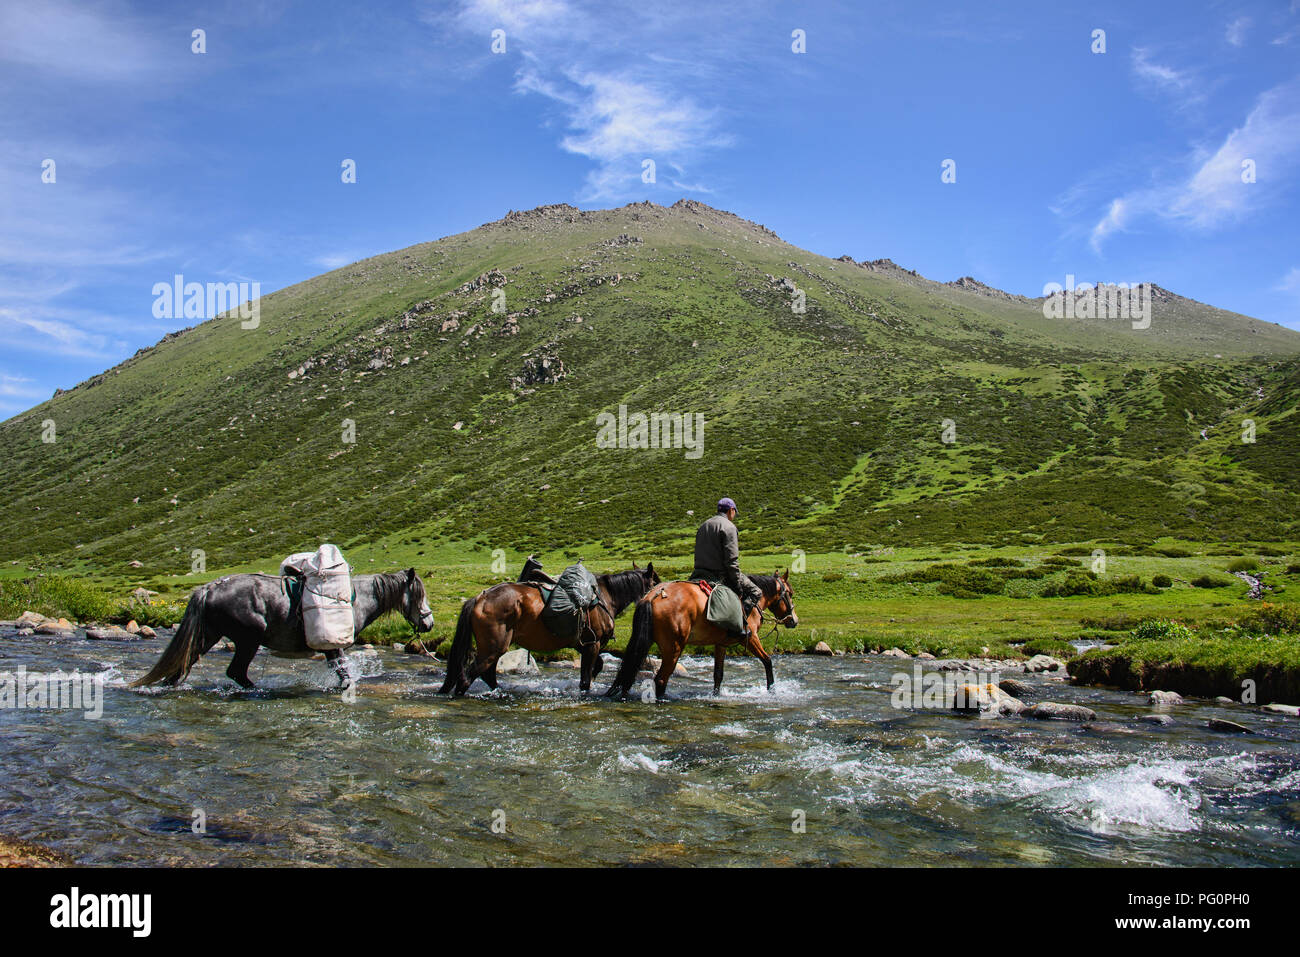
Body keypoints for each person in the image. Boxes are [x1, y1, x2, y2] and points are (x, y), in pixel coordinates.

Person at [689, 497, 763, 640]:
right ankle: (739, 627)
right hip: (718, 575)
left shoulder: (703, 525)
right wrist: (737, 586)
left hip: (698, 573)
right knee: (756, 592)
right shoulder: (729, 527)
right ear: (731, 510)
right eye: (735, 512)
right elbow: (732, 562)